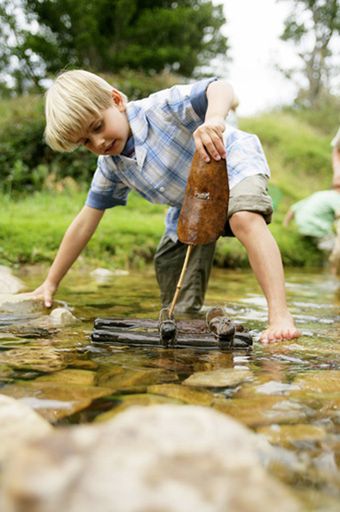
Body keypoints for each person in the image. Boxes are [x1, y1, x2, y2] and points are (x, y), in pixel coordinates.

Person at [30, 69, 300, 344]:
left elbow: (220, 87)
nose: (98, 142)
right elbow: (84, 223)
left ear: (116, 100)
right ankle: (194, 329)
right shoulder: (111, 167)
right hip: (192, 203)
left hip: (233, 165)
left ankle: (279, 316)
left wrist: (214, 120)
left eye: (98, 126)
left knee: (243, 218)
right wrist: (50, 282)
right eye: (85, 141)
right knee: (171, 275)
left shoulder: (161, 108)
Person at [284, 127, 340, 274]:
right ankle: (328, 271)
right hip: (318, 231)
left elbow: (293, 209)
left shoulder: (319, 194)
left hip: (302, 228)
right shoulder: (336, 198)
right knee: (334, 248)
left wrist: (285, 225)